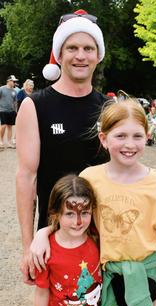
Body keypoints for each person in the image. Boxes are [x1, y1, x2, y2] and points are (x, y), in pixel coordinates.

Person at [32, 99, 156, 306]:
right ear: (104, 139)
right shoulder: (90, 178)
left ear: (147, 136)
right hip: (104, 279)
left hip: (145, 280)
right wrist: (42, 233)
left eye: (137, 136)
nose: (130, 144)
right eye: (120, 136)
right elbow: (74, 220)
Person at [17, 10, 109, 285]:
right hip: (55, 235)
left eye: (88, 48)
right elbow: (26, 178)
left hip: (103, 235)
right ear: (59, 54)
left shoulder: (109, 109)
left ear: (98, 55)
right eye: (72, 48)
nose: (80, 55)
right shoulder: (35, 105)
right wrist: (27, 246)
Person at [33, 175, 102, 306]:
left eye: (84, 213)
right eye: (70, 214)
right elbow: (41, 293)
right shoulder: (44, 250)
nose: (78, 222)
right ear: (56, 213)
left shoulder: (97, 238)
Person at [0, 74, 18, 148]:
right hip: (2, 110)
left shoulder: (14, 91)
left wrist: (15, 111)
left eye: (15, 81)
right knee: (3, 126)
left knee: (10, 127)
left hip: (11, 111)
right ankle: (1, 141)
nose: (14, 83)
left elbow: (15, 102)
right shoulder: (1, 89)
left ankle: (9, 142)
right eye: (13, 81)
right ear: (9, 81)